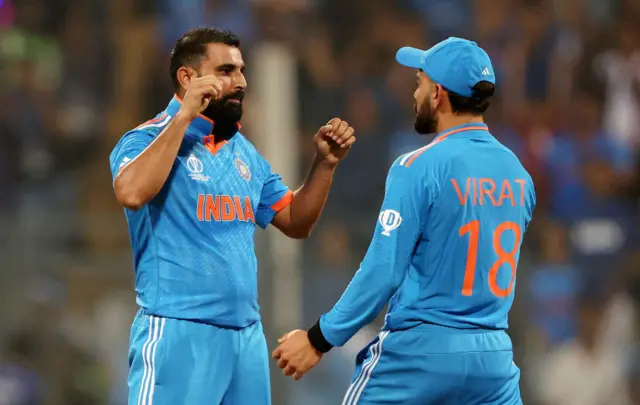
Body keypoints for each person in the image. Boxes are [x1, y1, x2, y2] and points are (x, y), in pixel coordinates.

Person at [273, 37, 536, 405]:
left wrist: (318, 340)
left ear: (438, 94)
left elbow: (383, 270)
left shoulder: (417, 167)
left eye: (419, 83)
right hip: (492, 360)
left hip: (419, 355)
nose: (414, 94)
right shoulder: (519, 175)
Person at [108, 28, 356, 405]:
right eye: (226, 70)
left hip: (245, 339)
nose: (240, 81)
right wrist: (184, 117)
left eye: (241, 70)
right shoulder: (144, 140)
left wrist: (324, 165)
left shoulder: (243, 153)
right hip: (179, 336)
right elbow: (131, 192)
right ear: (188, 78)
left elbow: (295, 222)